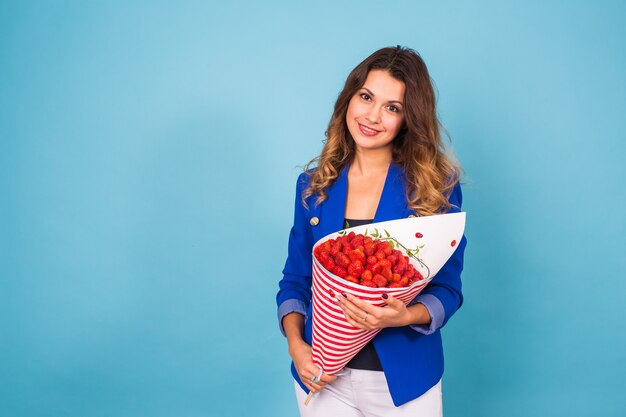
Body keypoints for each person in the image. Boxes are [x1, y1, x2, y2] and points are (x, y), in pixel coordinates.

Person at [276, 46, 467, 416]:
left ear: (408, 118)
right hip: (322, 375)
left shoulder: (434, 188)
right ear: (349, 97)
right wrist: (297, 347)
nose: (373, 116)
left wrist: (404, 316)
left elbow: (448, 289)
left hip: (406, 381)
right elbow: (294, 281)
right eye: (366, 97)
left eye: (392, 107)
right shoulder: (313, 187)